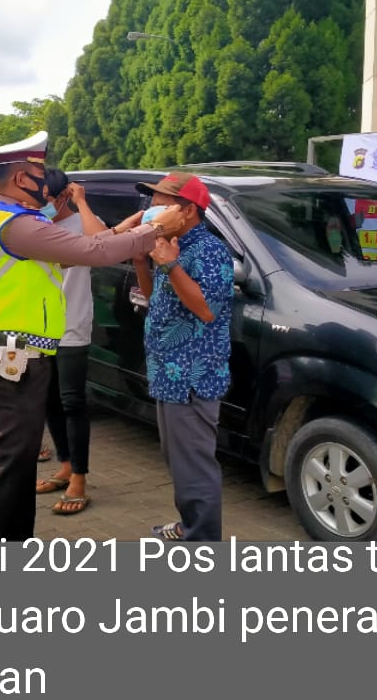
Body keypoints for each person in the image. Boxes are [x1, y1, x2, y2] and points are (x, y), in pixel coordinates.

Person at [0, 130, 183, 541]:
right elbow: (92, 254)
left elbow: (85, 243)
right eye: (40, 175)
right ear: (21, 179)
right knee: (10, 464)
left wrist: (132, 225)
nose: (48, 185)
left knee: (14, 461)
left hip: (9, 354)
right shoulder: (17, 224)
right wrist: (155, 231)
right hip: (13, 360)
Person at [131, 172, 233, 542]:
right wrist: (144, 262)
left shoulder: (208, 250)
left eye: (160, 201)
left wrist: (171, 265)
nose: (150, 208)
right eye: (152, 199)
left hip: (192, 377)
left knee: (195, 469)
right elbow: (154, 299)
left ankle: (202, 541)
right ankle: (191, 526)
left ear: (188, 210)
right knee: (179, 461)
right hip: (167, 375)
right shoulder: (167, 244)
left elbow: (206, 310)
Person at [34, 169, 107, 515]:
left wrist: (82, 203)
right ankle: (64, 465)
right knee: (48, 400)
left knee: (72, 402)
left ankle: (79, 477)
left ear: (64, 195)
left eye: (49, 197)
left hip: (73, 325)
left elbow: (103, 244)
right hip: (39, 327)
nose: (42, 203)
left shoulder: (82, 223)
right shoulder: (34, 224)